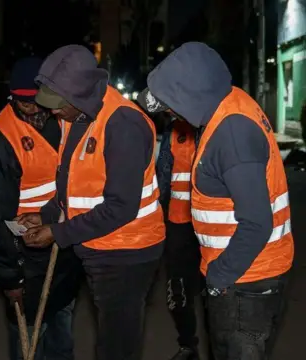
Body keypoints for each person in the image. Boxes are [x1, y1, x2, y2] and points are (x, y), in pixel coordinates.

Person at [139, 41, 293, 360]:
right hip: (244, 276)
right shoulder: (226, 105)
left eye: (170, 105)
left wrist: (219, 277)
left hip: (246, 282)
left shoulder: (231, 133)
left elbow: (257, 221)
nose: (169, 114)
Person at [17, 45, 165, 360]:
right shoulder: (76, 116)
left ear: (81, 95)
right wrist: (45, 215)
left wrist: (58, 233)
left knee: (116, 348)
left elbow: (121, 207)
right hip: (99, 244)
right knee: (110, 340)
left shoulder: (123, 124)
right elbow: (75, 183)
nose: (53, 112)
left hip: (127, 253)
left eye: (59, 105)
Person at [0, 57, 82, 360]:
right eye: (24, 103)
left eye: (38, 101)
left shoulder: (60, 119)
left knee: (62, 332)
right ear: (12, 98)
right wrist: (10, 279)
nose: (33, 109)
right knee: (30, 343)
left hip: (63, 247)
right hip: (28, 258)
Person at [150, 115, 202, 360]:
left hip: (213, 228)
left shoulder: (216, 125)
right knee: (178, 288)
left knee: (215, 291)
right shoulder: (173, 130)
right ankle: (188, 344)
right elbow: (164, 176)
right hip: (178, 224)